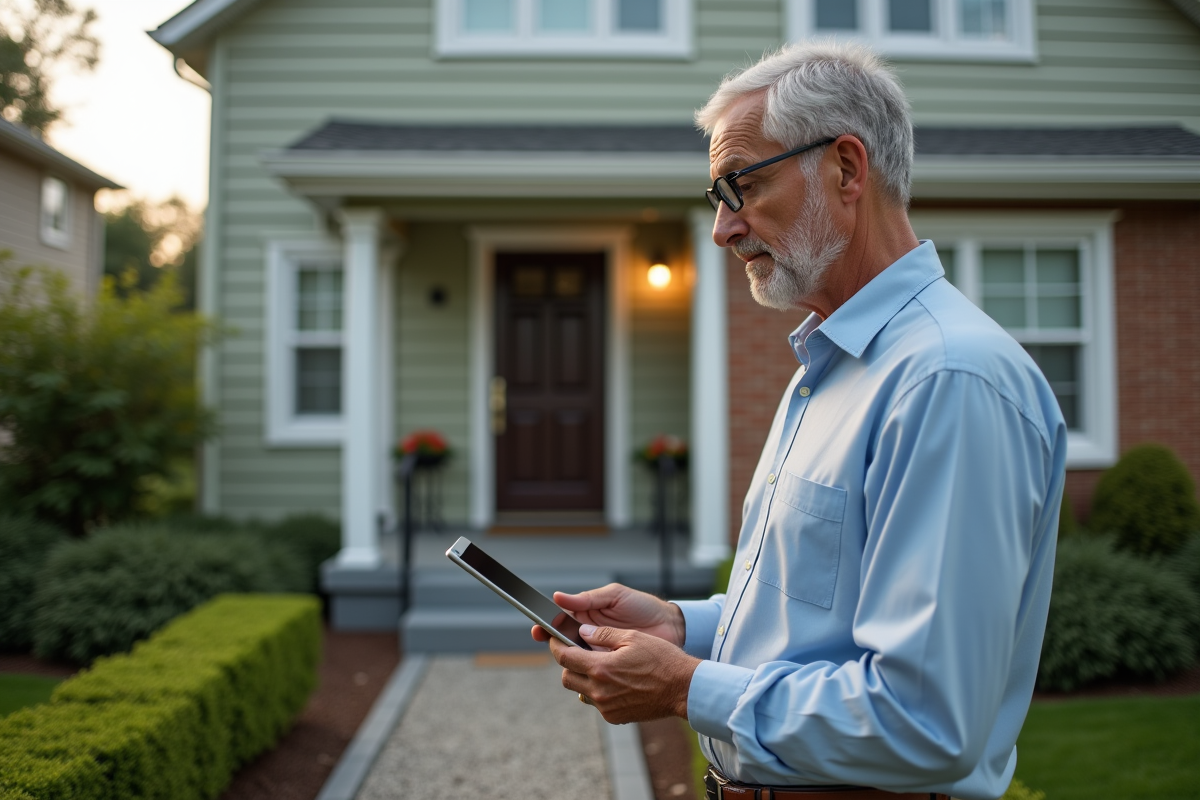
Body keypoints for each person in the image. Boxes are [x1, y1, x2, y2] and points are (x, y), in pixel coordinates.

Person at [532, 41, 1066, 800]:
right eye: (718, 199)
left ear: (847, 168)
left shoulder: (948, 379)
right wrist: (685, 628)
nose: (724, 229)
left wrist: (688, 688)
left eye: (740, 187)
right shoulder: (831, 364)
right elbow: (816, 612)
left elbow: (927, 723)